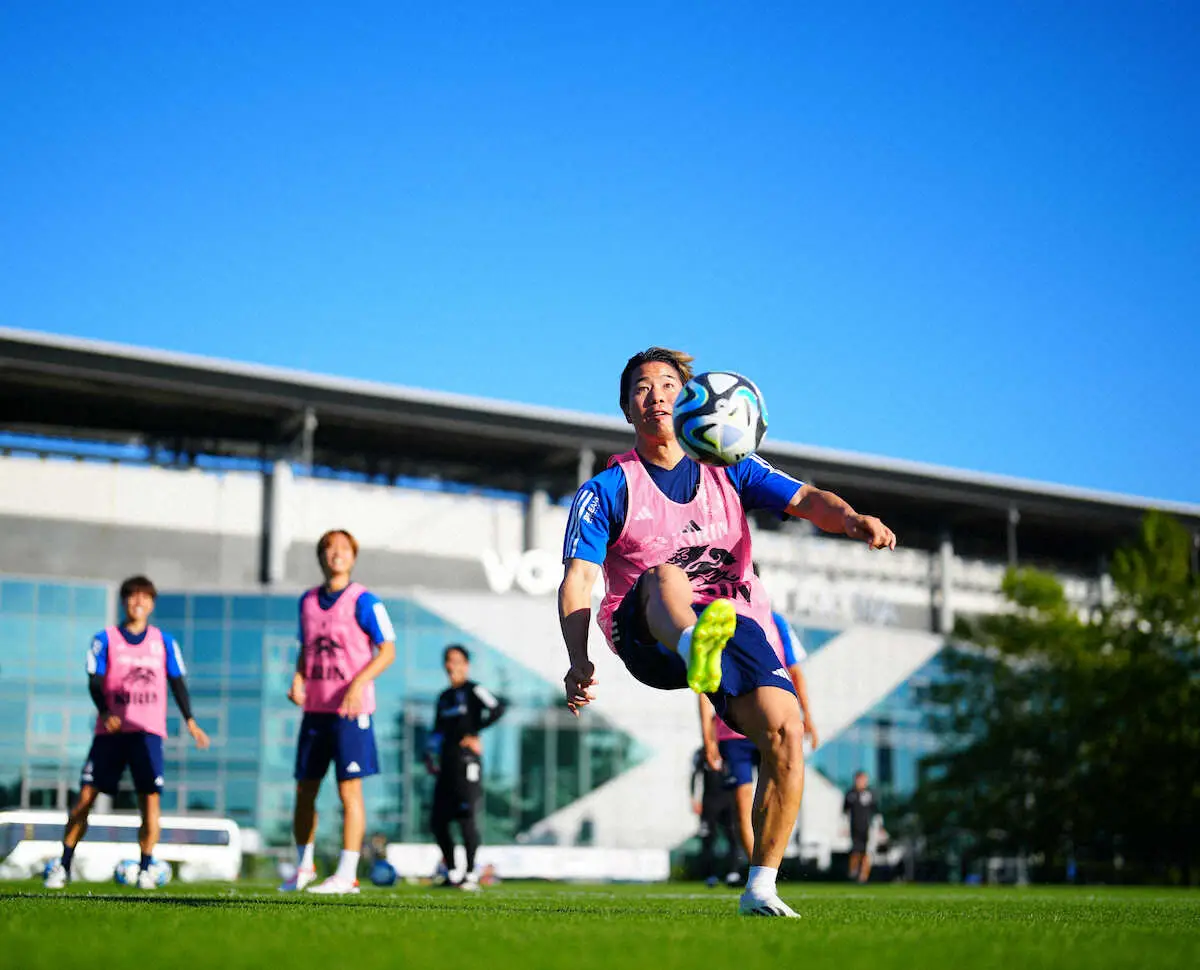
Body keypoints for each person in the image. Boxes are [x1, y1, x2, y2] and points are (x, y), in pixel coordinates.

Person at [558, 347, 895, 917]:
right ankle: (695, 646)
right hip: (650, 637)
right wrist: (578, 658)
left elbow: (806, 499)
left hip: (734, 621)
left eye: (668, 384)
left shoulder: (732, 465)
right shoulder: (608, 489)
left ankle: (761, 887)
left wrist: (852, 519)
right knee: (666, 576)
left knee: (785, 732)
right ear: (626, 408)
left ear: (689, 397)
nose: (656, 395)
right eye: (642, 388)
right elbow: (577, 581)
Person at [43, 575, 210, 890]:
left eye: (145, 597)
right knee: (84, 799)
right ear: (124, 602)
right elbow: (95, 681)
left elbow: (177, 682)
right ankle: (63, 865)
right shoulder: (105, 639)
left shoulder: (163, 642)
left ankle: (145, 868)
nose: (138, 602)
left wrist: (190, 720)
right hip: (111, 733)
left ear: (152, 604)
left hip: (148, 734)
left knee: (150, 803)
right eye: (133, 596)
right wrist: (105, 712)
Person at [280, 529, 396, 895]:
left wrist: (358, 684)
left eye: (344, 548)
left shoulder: (365, 601)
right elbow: (306, 648)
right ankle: (303, 868)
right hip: (315, 711)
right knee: (304, 791)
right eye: (329, 549)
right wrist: (298, 678)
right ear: (320, 557)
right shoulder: (307, 601)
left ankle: (347, 875)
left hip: (351, 712)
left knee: (349, 792)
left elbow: (388, 651)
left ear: (353, 557)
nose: (336, 554)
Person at [699, 600, 819, 880]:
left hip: (770, 722)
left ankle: (766, 872)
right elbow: (703, 684)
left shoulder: (776, 622)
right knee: (742, 802)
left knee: (777, 788)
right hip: (731, 732)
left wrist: (807, 717)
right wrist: (708, 738)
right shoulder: (714, 619)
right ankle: (759, 875)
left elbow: (795, 672)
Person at [425, 644, 507, 891]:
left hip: (467, 762)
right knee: (438, 820)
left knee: (466, 817)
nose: (452, 666)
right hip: (446, 764)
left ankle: (470, 874)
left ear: (466, 665)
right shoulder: (444, 697)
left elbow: (498, 708)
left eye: (457, 661)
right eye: (449, 661)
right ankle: (452, 872)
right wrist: (429, 754)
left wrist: (475, 732)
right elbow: (437, 730)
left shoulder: (474, 690)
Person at [690, 747, 739, 887]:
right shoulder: (702, 753)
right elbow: (695, 776)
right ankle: (710, 875)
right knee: (708, 838)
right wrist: (694, 799)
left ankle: (733, 873)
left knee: (733, 837)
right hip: (709, 802)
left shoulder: (730, 750)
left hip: (729, 801)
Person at [844, 770, 877, 884]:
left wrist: (879, 827)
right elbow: (845, 812)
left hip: (868, 828)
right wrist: (843, 827)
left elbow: (876, 811)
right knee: (855, 851)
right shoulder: (850, 794)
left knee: (867, 853)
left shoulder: (870, 794)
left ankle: (863, 876)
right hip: (854, 828)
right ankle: (853, 871)